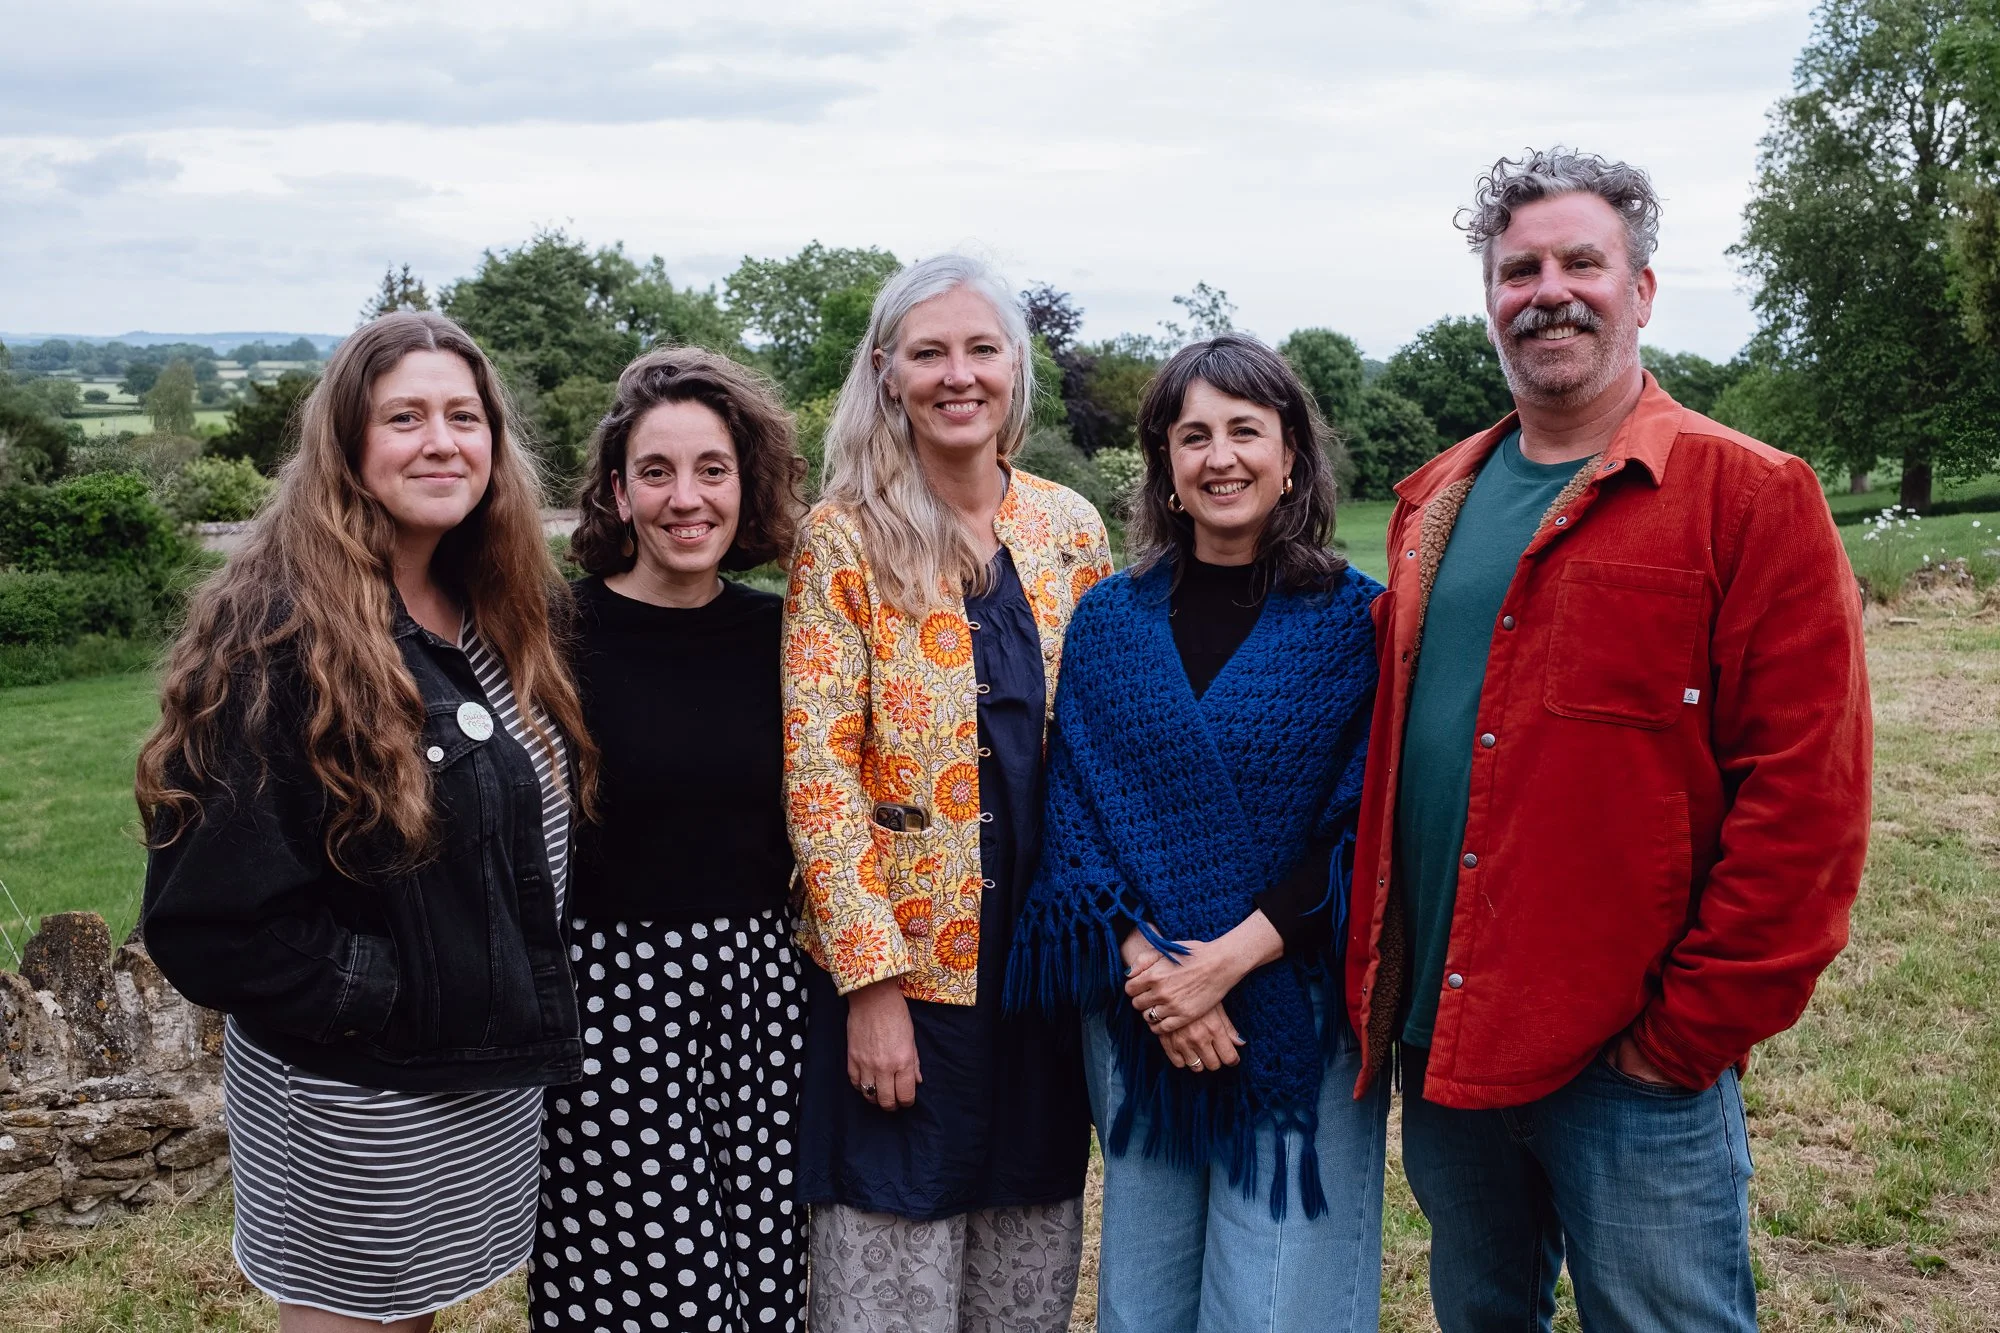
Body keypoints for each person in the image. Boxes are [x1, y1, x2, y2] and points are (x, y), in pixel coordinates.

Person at [1344, 148, 1873, 1330]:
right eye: (1516, 270)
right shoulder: (1435, 499)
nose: (1547, 292)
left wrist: (1683, 1035)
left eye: (1580, 263)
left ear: (1639, 290)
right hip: (1446, 1039)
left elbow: (1807, 801)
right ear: (1489, 300)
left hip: (1628, 1063)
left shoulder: (1747, 496)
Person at [136, 311, 595, 1333]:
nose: (442, 442)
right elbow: (210, 923)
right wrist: (405, 987)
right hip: (355, 1097)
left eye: (464, 417)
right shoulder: (279, 636)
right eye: (405, 417)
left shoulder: (491, 607)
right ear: (347, 444)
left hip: (461, 1084)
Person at [1007, 334, 1388, 1332]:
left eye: (1243, 431)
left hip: (1295, 1001)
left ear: (1290, 453)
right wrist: (1159, 977)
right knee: (1143, 1300)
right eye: (1192, 435)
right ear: (1165, 465)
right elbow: (1074, 814)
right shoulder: (1109, 620)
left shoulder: (1357, 622)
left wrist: (1219, 966)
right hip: (1139, 1011)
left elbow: (1363, 829)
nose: (1220, 457)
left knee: (1276, 1306)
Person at [782, 253, 1113, 1332]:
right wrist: (870, 987)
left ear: (1015, 365)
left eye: (980, 349)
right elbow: (820, 771)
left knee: (1024, 1282)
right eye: (929, 353)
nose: (957, 374)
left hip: (1041, 975)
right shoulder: (844, 537)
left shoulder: (1069, 529)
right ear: (887, 371)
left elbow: (1104, 742)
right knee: (894, 1280)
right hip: (909, 977)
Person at [531, 347, 809, 1331]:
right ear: (618, 490)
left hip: (764, 993)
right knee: (648, 1289)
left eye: (711, 469)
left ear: (745, 483)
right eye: (656, 471)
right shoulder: (553, 635)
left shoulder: (788, 634)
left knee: (769, 1274)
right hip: (609, 1000)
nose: (685, 498)